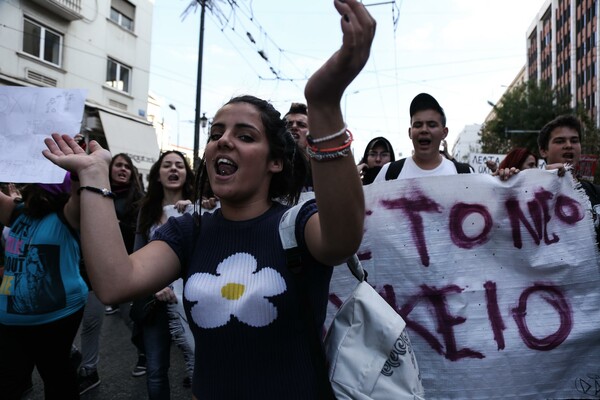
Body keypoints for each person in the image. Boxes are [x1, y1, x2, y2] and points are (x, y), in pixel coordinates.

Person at [42, 1, 372, 398]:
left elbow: (342, 239)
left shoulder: (298, 224)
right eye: (216, 133)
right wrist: (94, 177)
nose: (223, 140)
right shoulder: (188, 231)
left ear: (276, 163)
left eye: (245, 136)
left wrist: (324, 104)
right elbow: (115, 282)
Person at [0, 173, 87, 400]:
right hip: (10, 317)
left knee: (58, 380)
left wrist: (77, 168)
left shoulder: (67, 215)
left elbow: (80, 194)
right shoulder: (18, 213)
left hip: (55, 318)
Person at [77, 153, 146, 395]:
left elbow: (141, 235)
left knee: (131, 317)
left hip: (128, 268)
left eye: (127, 166)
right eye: (118, 165)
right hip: (93, 270)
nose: (123, 169)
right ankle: (89, 370)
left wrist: (116, 226)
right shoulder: (94, 194)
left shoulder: (140, 201)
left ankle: (144, 352)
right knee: (91, 322)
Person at [131, 150, 196, 399]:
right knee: (156, 370)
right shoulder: (146, 211)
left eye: (179, 165)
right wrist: (153, 287)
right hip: (155, 302)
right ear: (158, 174)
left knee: (199, 362)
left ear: (186, 174)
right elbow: (137, 256)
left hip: (190, 300)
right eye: (167, 165)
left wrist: (197, 209)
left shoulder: (197, 207)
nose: (173, 169)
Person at [374, 92, 472, 181]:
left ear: (444, 133)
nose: (424, 130)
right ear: (410, 132)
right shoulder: (388, 173)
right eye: (418, 125)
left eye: (432, 125)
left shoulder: (465, 174)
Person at [537, 114, 600, 241]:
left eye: (574, 141)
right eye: (560, 141)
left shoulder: (597, 193)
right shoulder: (529, 194)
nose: (569, 145)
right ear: (543, 150)